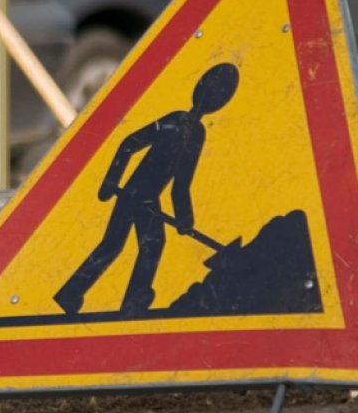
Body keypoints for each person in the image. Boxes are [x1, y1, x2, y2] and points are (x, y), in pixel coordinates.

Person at [53, 62, 239, 316]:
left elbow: (180, 184)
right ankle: (113, 299)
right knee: (124, 245)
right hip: (134, 193)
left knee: (133, 245)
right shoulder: (179, 123)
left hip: (146, 197)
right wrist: (110, 180)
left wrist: (185, 219)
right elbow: (129, 143)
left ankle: (97, 296)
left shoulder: (192, 130)